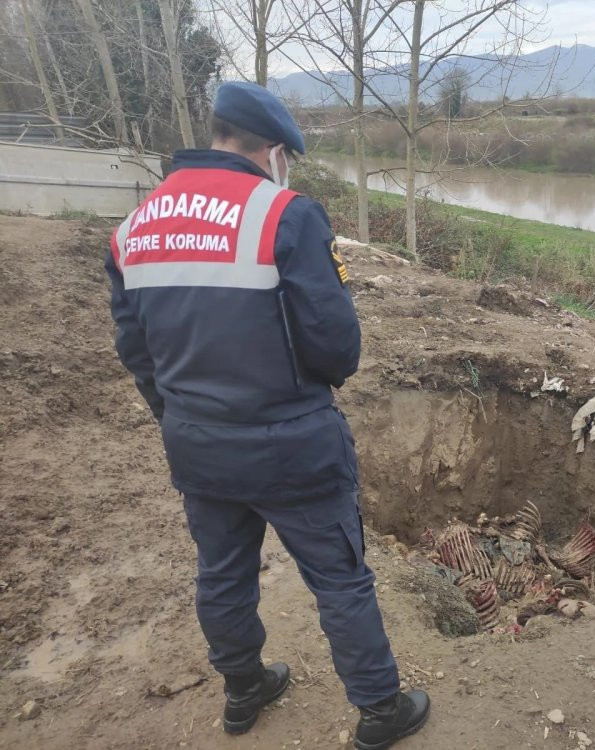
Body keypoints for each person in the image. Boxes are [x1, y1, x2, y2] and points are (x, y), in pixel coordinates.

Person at [105, 82, 430, 749]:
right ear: (275, 150)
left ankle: (244, 689)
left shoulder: (132, 230)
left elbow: (135, 352)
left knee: (222, 572)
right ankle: (378, 711)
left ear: (216, 134)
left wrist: (181, 416)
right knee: (340, 579)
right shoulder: (285, 214)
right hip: (292, 443)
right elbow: (336, 345)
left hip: (197, 443)